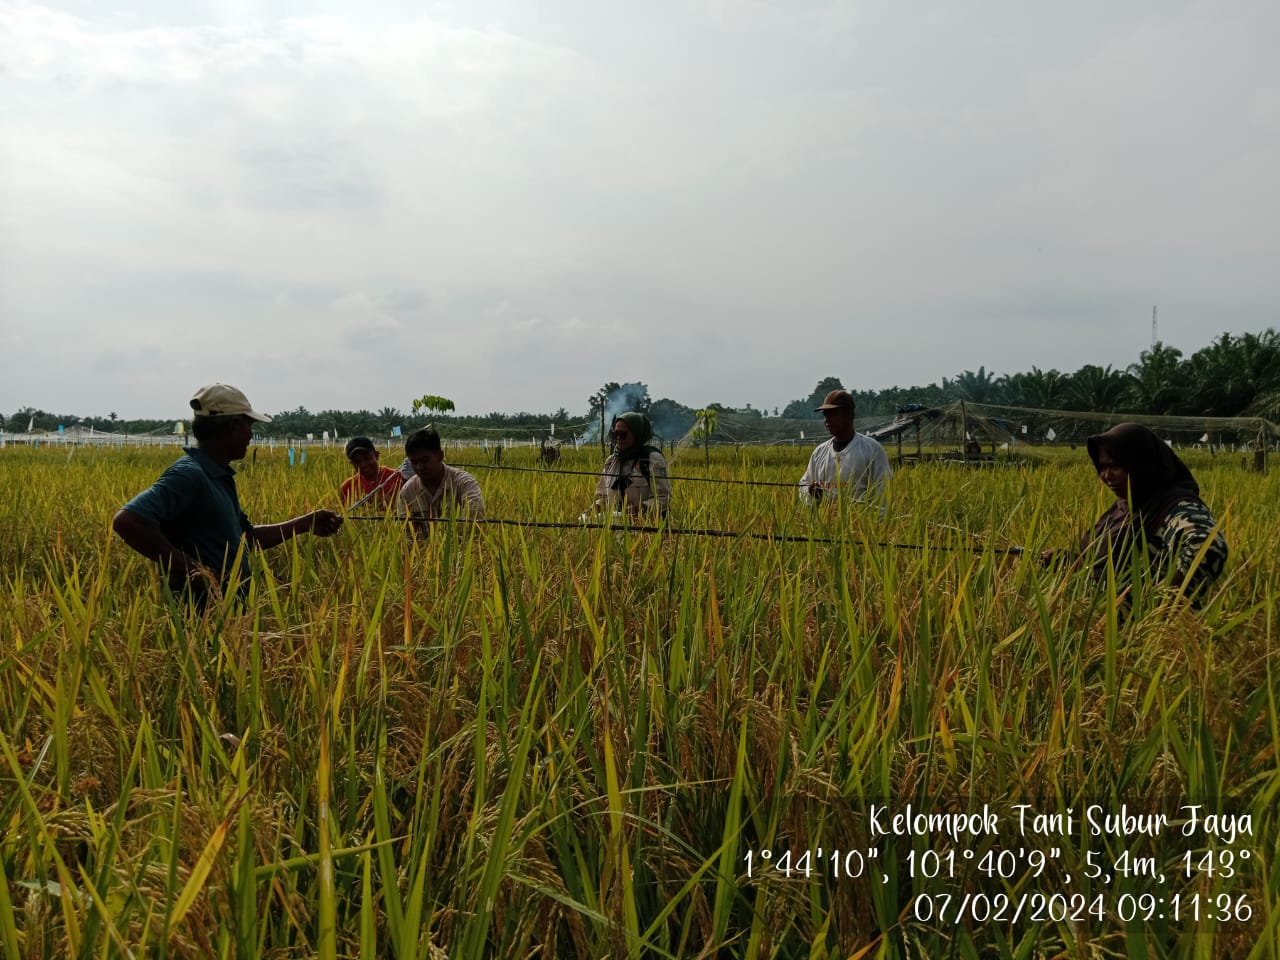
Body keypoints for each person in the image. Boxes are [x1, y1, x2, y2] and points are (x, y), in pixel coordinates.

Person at [112, 383, 343, 608]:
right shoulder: (189, 474)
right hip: (199, 620)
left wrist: (304, 524)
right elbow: (127, 520)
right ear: (233, 426)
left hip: (229, 616)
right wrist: (191, 568)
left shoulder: (217, 476)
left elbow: (244, 539)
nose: (250, 435)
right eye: (249, 426)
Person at [1044, 423, 1228, 604]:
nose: (1106, 476)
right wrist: (1068, 560)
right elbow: (1105, 561)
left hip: (1143, 630)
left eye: (1115, 466)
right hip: (1101, 624)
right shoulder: (1126, 508)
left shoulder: (1173, 506)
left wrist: (1158, 603)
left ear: (1142, 464)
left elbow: (1210, 545)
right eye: (1102, 467)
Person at [799, 389, 891, 512]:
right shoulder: (819, 453)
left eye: (833, 414)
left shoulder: (872, 450)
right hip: (825, 525)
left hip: (859, 526)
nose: (827, 420)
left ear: (848, 414)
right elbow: (804, 485)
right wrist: (810, 492)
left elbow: (882, 494)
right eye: (825, 415)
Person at [398, 426, 485, 537]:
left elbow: (474, 520)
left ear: (440, 456)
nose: (419, 467)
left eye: (425, 460)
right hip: (424, 551)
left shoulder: (464, 483)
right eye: (414, 462)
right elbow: (406, 534)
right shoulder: (407, 492)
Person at [593, 412, 672, 517]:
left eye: (623, 434)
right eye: (615, 434)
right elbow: (603, 497)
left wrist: (639, 509)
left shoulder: (652, 459)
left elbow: (663, 498)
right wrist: (595, 508)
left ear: (636, 434)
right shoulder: (611, 461)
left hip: (645, 528)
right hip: (614, 526)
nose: (618, 438)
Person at [340, 436, 404, 510]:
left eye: (367, 458)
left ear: (376, 455)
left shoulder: (398, 478)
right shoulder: (347, 487)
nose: (363, 465)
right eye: (357, 462)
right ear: (352, 463)